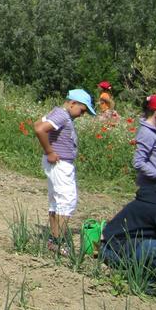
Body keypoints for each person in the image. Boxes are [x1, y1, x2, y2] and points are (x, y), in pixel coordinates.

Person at [32, 88, 96, 252]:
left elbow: (37, 124)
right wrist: (50, 151)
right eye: (82, 110)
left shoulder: (57, 112)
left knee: (57, 201)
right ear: (73, 103)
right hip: (60, 164)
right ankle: (57, 241)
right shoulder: (63, 115)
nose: (82, 115)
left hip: (56, 164)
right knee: (67, 200)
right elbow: (40, 129)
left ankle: (54, 238)